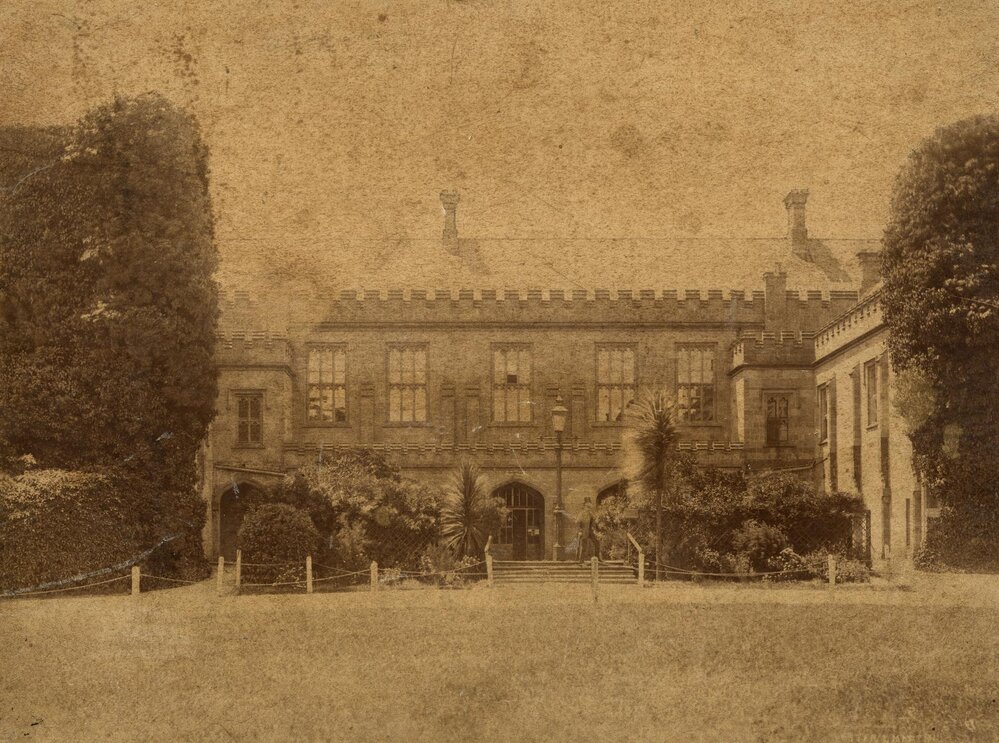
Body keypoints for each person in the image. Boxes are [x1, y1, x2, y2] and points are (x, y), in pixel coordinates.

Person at [576, 497, 598, 563]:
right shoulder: (581, 514)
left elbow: (593, 522)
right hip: (583, 532)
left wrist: (595, 529)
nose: (589, 508)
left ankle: (597, 558)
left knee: (597, 543)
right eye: (587, 507)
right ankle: (581, 560)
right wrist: (580, 531)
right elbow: (577, 523)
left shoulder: (590, 514)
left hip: (590, 532)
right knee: (583, 547)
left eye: (590, 507)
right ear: (584, 507)